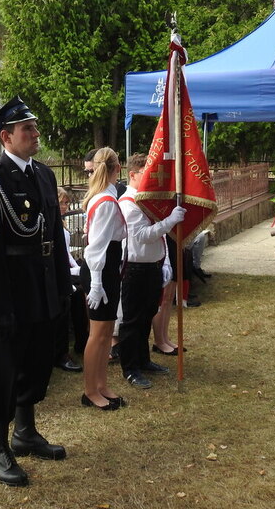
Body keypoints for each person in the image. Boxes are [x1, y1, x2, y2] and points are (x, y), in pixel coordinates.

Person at [0, 96, 71, 486]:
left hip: (41, 285)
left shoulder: (44, 175)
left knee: (35, 362)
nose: (35, 133)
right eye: (27, 129)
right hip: (9, 290)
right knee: (4, 370)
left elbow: (55, 236)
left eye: (34, 127)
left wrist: (62, 286)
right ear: (6, 137)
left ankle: (26, 432)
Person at [117, 153, 185, 389]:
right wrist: (169, 222)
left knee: (147, 316)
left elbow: (158, 237)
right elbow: (142, 236)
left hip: (152, 266)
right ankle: (130, 368)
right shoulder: (128, 203)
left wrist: (164, 263)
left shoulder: (146, 201)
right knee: (132, 320)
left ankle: (143, 360)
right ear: (133, 175)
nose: (151, 179)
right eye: (146, 174)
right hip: (135, 269)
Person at [80, 147, 127, 409]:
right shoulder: (106, 201)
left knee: (107, 331)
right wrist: (97, 284)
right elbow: (95, 248)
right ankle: (90, 390)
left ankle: (101, 384)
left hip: (107, 268)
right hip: (100, 269)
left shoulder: (105, 197)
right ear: (117, 169)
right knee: (98, 334)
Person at [54, 186, 84, 372]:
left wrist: (77, 269)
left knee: (82, 291)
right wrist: (71, 271)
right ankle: (62, 353)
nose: (65, 206)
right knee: (74, 297)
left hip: (67, 270)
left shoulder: (62, 223)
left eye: (66, 203)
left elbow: (66, 253)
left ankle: (82, 341)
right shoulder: (51, 222)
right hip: (58, 274)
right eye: (61, 203)